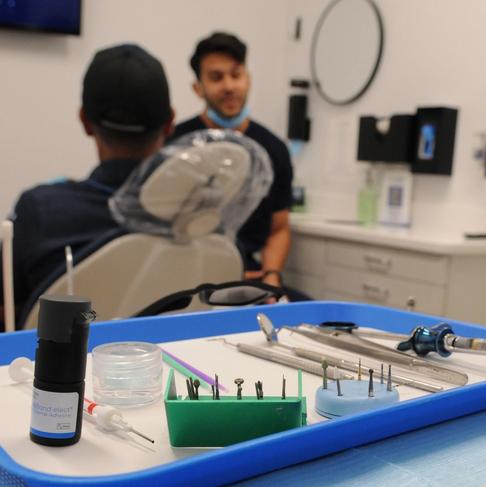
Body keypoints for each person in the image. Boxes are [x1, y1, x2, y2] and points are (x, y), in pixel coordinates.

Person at [0, 44, 174, 329]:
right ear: (169, 124)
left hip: (61, 371)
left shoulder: (40, 211)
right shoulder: (203, 219)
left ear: (85, 121)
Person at [169, 32, 293, 289]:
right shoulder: (175, 144)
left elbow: (279, 228)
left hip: (251, 280)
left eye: (236, 74)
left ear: (247, 79)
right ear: (198, 87)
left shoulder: (274, 148)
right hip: (186, 277)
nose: (229, 86)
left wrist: (271, 276)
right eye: (216, 77)